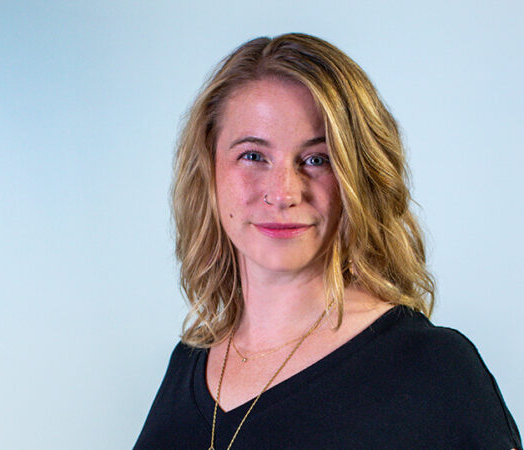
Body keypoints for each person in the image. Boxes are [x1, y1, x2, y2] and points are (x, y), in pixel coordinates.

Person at [134, 33, 521, 449]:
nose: (283, 193)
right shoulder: (189, 362)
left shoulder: (432, 368)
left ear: (359, 177)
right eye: (253, 156)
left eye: (317, 159)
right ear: (208, 170)